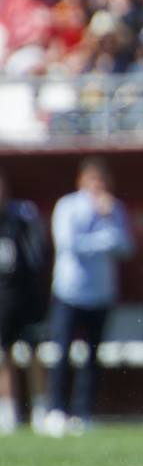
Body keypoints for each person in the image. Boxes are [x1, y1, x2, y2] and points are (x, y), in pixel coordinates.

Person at [44, 158, 133, 437]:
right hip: (69, 291)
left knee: (93, 357)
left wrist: (107, 220)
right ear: (81, 181)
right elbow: (70, 245)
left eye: (102, 181)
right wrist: (105, 239)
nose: (98, 187)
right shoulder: (67, 206)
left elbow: (126, 246)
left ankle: (84, 412)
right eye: (93, 180)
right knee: (61, 354)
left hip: (101, 294)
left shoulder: (114, 208)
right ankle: (55, 410)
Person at [0, 170, 48, 434]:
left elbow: (37, 253)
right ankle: (8, 412)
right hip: (2, 300)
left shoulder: (22, 216)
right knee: (2, 356)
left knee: (34, 354)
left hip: (27, 297)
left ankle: (41, 409)